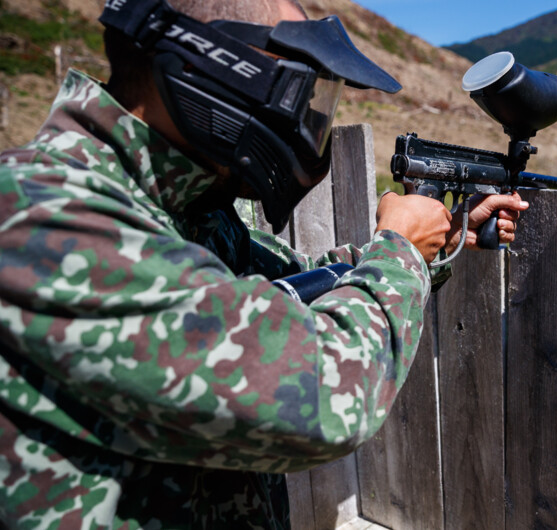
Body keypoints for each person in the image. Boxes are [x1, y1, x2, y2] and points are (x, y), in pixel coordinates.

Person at [0, 0, 527, 527]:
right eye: (303, 94)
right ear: (214, 68)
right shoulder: (40, 213)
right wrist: (400, 249)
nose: (310, 122)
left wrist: (435, 243)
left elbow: (300, 288)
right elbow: (323, 393)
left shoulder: (178, 207)